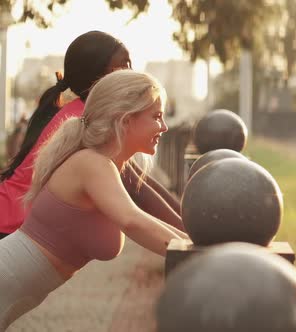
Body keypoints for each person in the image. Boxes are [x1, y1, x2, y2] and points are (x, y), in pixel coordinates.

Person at [0, 69, 188, 330]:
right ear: (125, 119)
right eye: (156, 116)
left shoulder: (104, 165)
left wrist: (193, 244)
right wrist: (195, 251)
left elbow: (145, 214)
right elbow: (134, 221)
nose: (164, 126)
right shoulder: (92, 164)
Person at [0, 31, 183, 240]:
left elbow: (141, 181)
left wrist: (188, 223)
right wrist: (193, 235)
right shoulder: (91, 119)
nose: (130, 72)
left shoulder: (81, 111)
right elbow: (138, 190)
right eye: (123, 66)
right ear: (99, 76)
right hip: (8, 226)